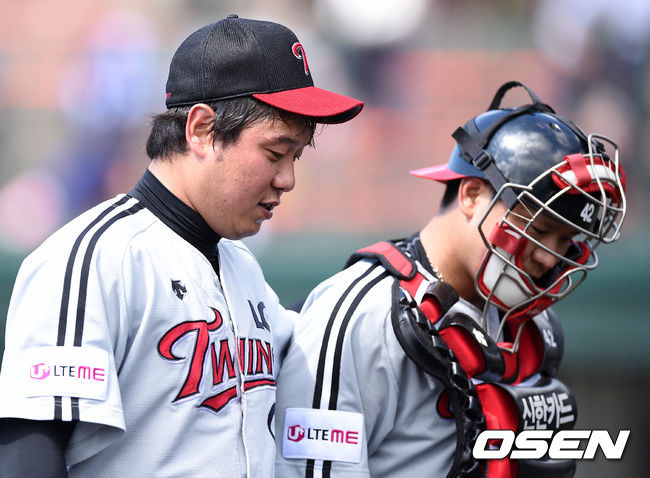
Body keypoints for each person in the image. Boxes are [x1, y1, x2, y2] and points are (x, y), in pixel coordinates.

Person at [0, 15, 363, 478]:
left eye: (295, 157)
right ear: (202, 129)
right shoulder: (94, 259)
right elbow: (28, 455)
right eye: (275, 153)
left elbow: (313, 346)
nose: (287, 179)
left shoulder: (241, 266)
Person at [275, 81, 626, 478]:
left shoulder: (532, 324)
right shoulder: (365, 314)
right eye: (539, 228)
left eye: (566, 239)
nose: (549, 255)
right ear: (472, 194)